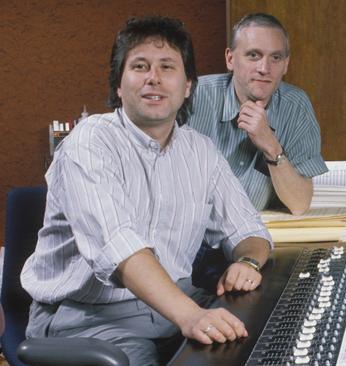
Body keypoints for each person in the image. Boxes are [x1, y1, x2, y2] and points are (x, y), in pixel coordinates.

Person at [20, 16, 272, 365]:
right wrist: (192, 316)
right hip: (85, 317)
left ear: (187, 86)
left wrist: (247, 260)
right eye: (140, 66)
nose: (153, 77)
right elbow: (121, 250)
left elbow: (250, 231)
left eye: (167, 66)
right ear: (119, 85)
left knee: (256, 342)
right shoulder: (90, 141)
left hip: (174, 304)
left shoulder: (200, 150)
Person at [188, 13, 328, 215]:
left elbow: (299, 204)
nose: (264, 68)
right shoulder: (194, 97)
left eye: (276, 57)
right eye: (253, 55)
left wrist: (271, 147)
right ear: (230, 58)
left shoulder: (296, 106)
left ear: (286, 64)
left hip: (256, 237)